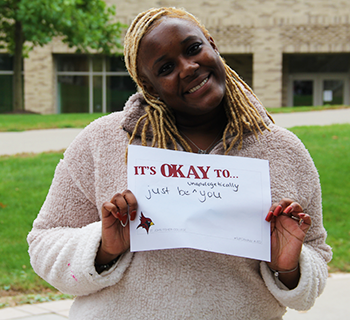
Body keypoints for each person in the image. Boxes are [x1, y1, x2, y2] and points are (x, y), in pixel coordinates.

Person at [28, 7, 332, 319]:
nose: (187, 68)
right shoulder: (103, 141)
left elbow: (316, 257)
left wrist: (289, 267)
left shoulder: (283, 150)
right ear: (148, 85)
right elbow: (43, 244)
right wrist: (103, 249)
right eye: (165, 68)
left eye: (193, 49)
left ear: (212, 45)